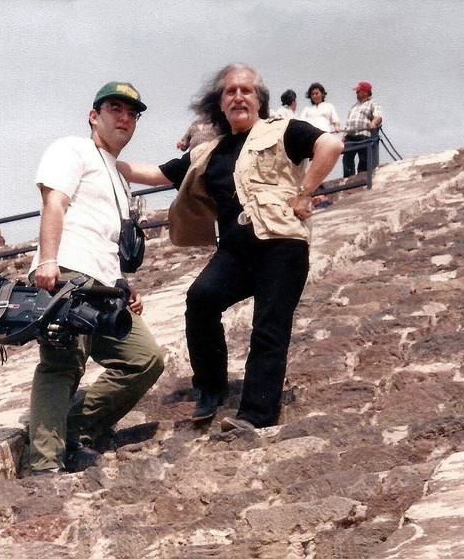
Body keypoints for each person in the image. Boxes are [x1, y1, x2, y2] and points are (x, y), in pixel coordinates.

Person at [119, 63, 343, 432]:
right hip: (235, 252)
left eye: (247, 91)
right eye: (230, 92)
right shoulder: (208, 152)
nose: (238, 96)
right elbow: (156, 174)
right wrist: (106, 156)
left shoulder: (284, 130)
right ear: (220, 104)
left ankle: (255, 415)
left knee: (268, 326)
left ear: (260, 101)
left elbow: (330, 145)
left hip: (281, 245)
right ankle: (211, 387)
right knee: (201, 299)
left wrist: (305, 193)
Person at [27, 81, 165, 475]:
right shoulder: (71, 148)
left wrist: (123, 287)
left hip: (105, 287)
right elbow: (55, 202)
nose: (124, 117)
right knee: (63, 365)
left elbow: (106, 239)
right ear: (94, 115)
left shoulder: (119, 177)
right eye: (115, 109)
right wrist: (48, 260)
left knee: (145, 358)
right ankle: (45, 464)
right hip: (68, 272)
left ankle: (73, 428)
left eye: (131, 113)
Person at [342, 81, 383, 177]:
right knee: (347, 158)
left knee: (364, 158)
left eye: (358, 91)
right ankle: (348, 179)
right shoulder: (354, 106)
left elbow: (378, 116)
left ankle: (362, 177)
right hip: (350, 135)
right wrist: (344, 135)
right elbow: (348, 122)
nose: (356, 93)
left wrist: (373, 123)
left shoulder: (373, 103)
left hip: (363, 133)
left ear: (366, 92)